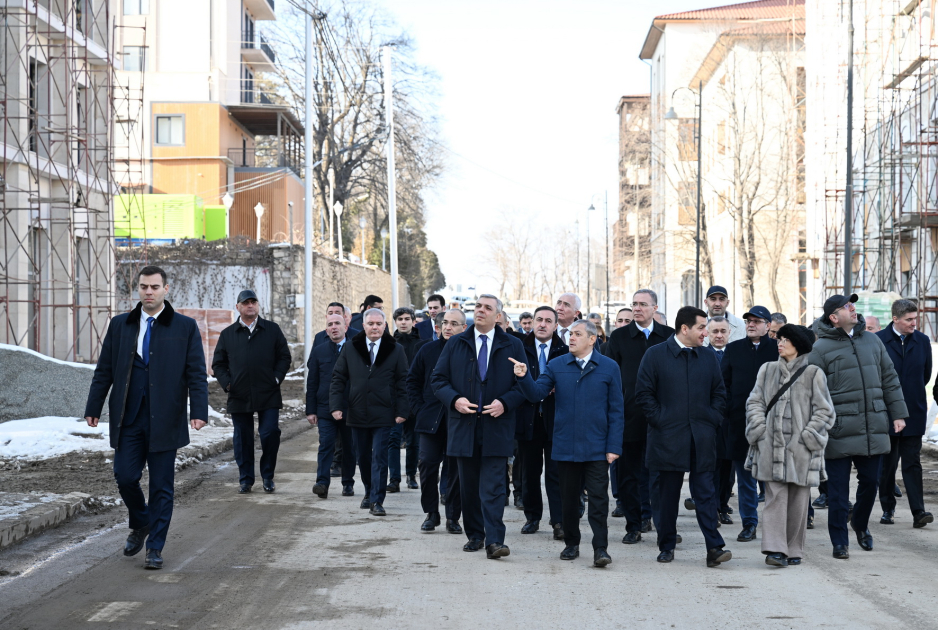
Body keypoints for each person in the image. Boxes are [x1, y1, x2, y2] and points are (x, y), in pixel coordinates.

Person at [84, 266, 207, 570]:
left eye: (154, 287)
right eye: (143, 287)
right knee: (125, 476)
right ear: (137, 290)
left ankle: (155, 548)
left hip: (166, 418)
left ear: (167, 289)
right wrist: (93, 406)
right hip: (129, 417)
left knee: (162, 486)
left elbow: (196, 374)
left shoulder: (185, 327)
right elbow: (104, 371)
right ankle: (141, 521)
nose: (148, 292)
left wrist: (199, 412)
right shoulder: (120, 325)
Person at [514, 320, 624, 567]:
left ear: (592, 339)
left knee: (598, 499)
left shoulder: (609, 367)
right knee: (569, 498)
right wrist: (523, 377)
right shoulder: (556, 365)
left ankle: (601, 549)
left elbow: (616, 409)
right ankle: (572, 544)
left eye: (577, 334)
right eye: (570, 334)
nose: (571, 338)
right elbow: (535, 394)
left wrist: (614, 446)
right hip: (565, 445)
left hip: (598, 446)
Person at [809, 293, 908, 559]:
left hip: (873, 425)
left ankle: (860, 525)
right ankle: (839, 541)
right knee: (839, 493)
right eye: (846, 307)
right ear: (833, 317)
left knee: (871, 483)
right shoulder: (821, 349)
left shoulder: (872, 341)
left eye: (853, 305)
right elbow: (813, 392)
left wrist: (898, 413)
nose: (853, 309)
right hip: (838, 429)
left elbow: (889, 378)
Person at [431, 294, 529, 559]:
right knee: (469, 486)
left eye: (488, 308)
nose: (481, 311)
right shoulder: (457, 343)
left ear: (498, 316)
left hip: (497, 426)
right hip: (463, 426)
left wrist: (505, 404)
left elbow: (524, 384)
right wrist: (455, 400)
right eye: (478, 307)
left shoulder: (513, 345)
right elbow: (438, 380)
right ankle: (475, 534)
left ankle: (495, 541)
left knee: (495, 486)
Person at [635, 306, 732, 568]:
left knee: (705, 495)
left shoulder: (708, 357)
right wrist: (662, 420)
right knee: (666, 497)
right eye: (702, 327)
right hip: (666, 439)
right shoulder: (655, 355)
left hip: (701, 438)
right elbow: (643, 394)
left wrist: (711, 420)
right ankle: (666, 545)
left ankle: (714, 546)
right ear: (685, 329)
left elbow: (719, 394)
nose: (706, 332)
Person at [745, 324, 835, 566]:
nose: (779, 343)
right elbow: (754, 402)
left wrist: (808, 437)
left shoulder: (814, 373)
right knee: (774, 498)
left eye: (785, 339)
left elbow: (825, 411)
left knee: (798, 501)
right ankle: (775, 550)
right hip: (770, 446)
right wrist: (760, 429)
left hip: (801, 450)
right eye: (779, 338)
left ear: (799, 345)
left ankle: (793, 549)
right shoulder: (767, 370)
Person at [605, 289, 673, 544]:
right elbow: (610, 376)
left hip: (663, 418)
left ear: (655, 308)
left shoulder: (668, 336)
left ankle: (661, 523)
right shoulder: (620, 337)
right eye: (634, 304)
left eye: (643, 304)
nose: (637, 308)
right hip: (628, 416)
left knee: (660, 475)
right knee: (629, 475)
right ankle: (633, 524)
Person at [330, 308, 409, 517]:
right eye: (371, 324)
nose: (375, 327)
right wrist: (337, 406)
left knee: (380, 457)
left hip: (384, 412)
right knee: (363, 457)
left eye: (379, 324)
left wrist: (402, 410)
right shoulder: (350, 348)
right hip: (357, 411)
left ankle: (377, 499)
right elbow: (338, 378)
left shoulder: (396, 349)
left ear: (385, 326)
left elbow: (403, 381)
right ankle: (368, 491)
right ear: (363, 325)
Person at [212, 289, 292, 494]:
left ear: (257, 306)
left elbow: (284, 356)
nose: (250, 306)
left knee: (270, 433)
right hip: (239, 394)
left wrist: (276, 378)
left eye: (253, 302)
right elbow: (218, 364)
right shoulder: (228, 334)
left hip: (268, 392)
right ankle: (246, 479)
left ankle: (267, 476)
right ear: (238, 307)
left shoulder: (272, 330)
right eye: (246, 302)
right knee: (243, 437)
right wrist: (228, 384)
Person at [720, 305, 779, 543]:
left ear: (768, 325)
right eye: (748, 321)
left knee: (773, 481)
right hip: (739, 424)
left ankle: (775, 527)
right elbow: (723, 383)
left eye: (756, 321)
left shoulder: (777, 349)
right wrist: (729, 410)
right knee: (745, 479)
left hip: (773, 426)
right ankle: (749, 524)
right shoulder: (733, 349)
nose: (751, 324)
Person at [876, 299, 934, 528]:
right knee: (888, 464)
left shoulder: (922, 341)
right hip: (886, 413)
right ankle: (887, 508)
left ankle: (918, 512)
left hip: (913, 412)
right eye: (909, 319)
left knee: (913, 463)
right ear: (895, 319)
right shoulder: (879, 340)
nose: (914, 323)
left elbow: (926, 375)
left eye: (915, 318)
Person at [409, 310, 466, 533]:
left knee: (455, 471)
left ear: (464, 328)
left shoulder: (468, 351)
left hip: (459, 421)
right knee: (427, 466)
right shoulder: (427, 350)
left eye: (454, 324)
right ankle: (431, 513)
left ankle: (453, 517)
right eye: (444, 323)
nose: (448, 327)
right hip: (430, 419)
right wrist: (419, 409)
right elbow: (412, 381)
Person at [515, 306, 568, 540]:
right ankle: (532, 517)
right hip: (527, 419)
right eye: (539, 320)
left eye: (548, 320)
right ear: (532, 322)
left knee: (556, 475)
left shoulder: (565, 351)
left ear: (556, 325)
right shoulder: (520, 349)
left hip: (556, 420)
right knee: (529, 472)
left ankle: (559, 521)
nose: (543, 324)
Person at [307, 313, 356, 498]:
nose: (334, 327)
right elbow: (312, 382)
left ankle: (348, 483)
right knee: (326, 444)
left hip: (350, 408)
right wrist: (310, 410)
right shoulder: (319, 351)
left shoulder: (355, 350)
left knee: (349, 447)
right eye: (330, 324)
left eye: (337, 323)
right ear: (326, 329)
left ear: (345, 327)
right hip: (325, 407)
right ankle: (322, 483)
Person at [389, 307, 426, 492]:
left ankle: (411, 475)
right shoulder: (388, 344)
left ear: (413, 321)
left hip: (414, 399)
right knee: (393, 439)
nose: (403, 322)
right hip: (394, 400)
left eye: (406, 319)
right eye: (399, 319)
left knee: (414, 441)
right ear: (395, 322)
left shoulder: (421, 345)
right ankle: (394, 478)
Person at [705, 316, 734, 522]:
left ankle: (723, 505)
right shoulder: (701, 354)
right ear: (707, 333)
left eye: (723, 331)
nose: (719, 335)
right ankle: (712, 507)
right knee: (710, 466)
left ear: (729, 332)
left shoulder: (734, 354)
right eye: (714, 331)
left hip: (731, 419)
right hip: (708, 420)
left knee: (728, 467)